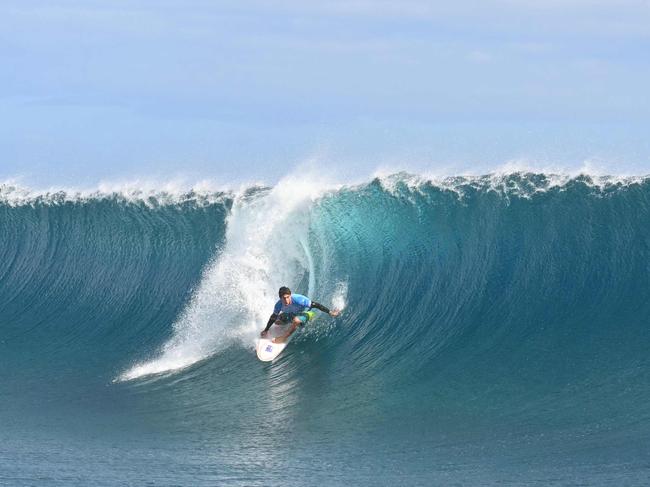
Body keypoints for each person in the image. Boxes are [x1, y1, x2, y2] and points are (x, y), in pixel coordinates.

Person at [261, 286, 340, 343]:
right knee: (277, 321)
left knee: (296, 320)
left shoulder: (298, 299)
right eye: (283, 298)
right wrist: (266, 330)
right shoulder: (278, 305)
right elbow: (273, 317)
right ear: (280, 298)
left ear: (290, 295)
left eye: (288, 297)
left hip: (307, 313)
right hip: (292, 314)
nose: (286, 300)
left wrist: (330, 312)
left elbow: (316, 305)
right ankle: (290, 325)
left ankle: (283, 337)